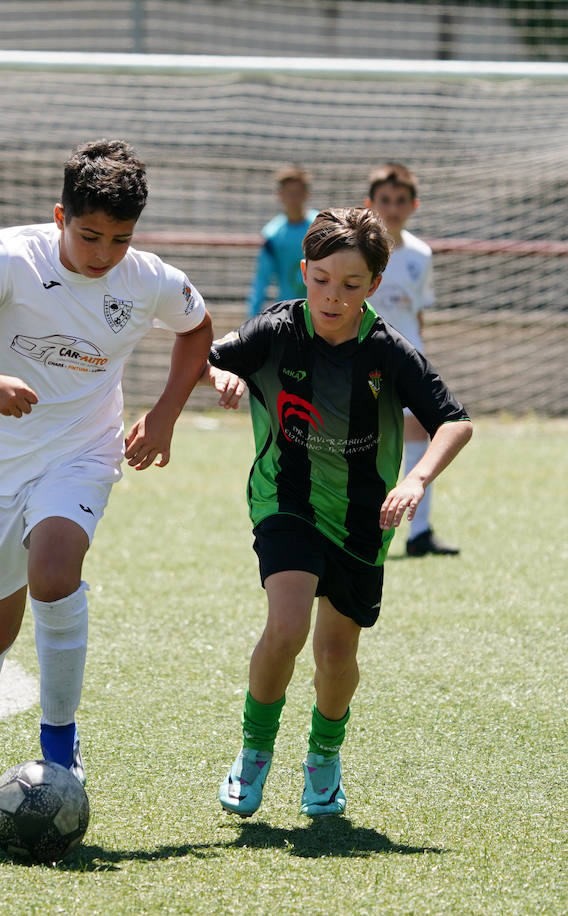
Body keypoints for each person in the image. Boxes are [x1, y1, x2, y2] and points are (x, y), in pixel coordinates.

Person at [0, 138, 214, 814]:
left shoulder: (148, 278)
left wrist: (163, 416)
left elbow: (197, 329)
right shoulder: (8, 258)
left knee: (53, 572)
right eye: (90, 235)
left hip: (79, 453)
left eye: (120, 239)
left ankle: (60, 741)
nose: (104, 254)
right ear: (58, 217)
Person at [201, 207, 473, 817]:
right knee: (288, 624)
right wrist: (220, 377)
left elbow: (454, 422)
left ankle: (324, 755)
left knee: (335, 653)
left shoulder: (388, 351)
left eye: (351, 285)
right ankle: (254, 752)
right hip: (285, 500)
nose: (332, 296)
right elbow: (205, 357)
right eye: (321, 279)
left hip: (361, 518)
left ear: (374, 285)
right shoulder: (274, 330)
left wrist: (417, 479)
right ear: (303, 271)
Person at [364, 162, 458, 557]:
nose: (393, 208)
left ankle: (419, 532)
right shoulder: (361, 251)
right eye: (385, 200)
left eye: (401, 201)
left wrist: (420, 355)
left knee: (423, 438)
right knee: (366, 443)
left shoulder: (421, 254)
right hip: (365, 360)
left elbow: (418, 312)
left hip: (408, 360)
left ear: (414, 205)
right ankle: (363, 525)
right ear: (370, 204)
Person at [247, 166, 319, 318]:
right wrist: (251, 319)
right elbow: (261, 280)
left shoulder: (320, 226)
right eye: (289, 194)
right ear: (280, 195)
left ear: (306, 194)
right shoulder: (272, 235)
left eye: (297, 193)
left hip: (322, 310)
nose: (293, 199)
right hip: (290, 314)